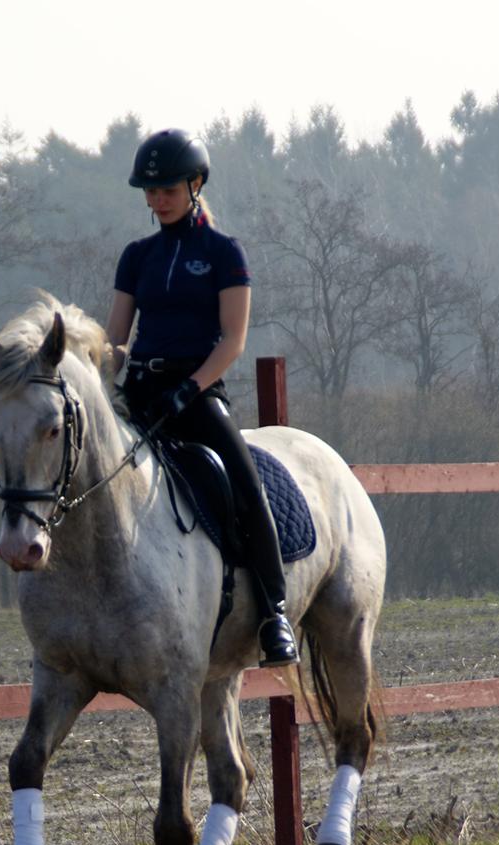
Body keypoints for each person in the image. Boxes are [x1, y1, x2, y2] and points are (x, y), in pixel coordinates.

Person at [105, 129, 299, 667]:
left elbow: (233, 339)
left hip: (196, 392)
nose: (156, 199)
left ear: (194, 184)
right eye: (149, 191)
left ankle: (273, 612)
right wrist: (97, 375)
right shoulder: (136, 256)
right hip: (141, 392)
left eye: (166, 189)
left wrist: (190, 387)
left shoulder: (222, 253)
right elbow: (117, 338)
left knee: (245, 484)